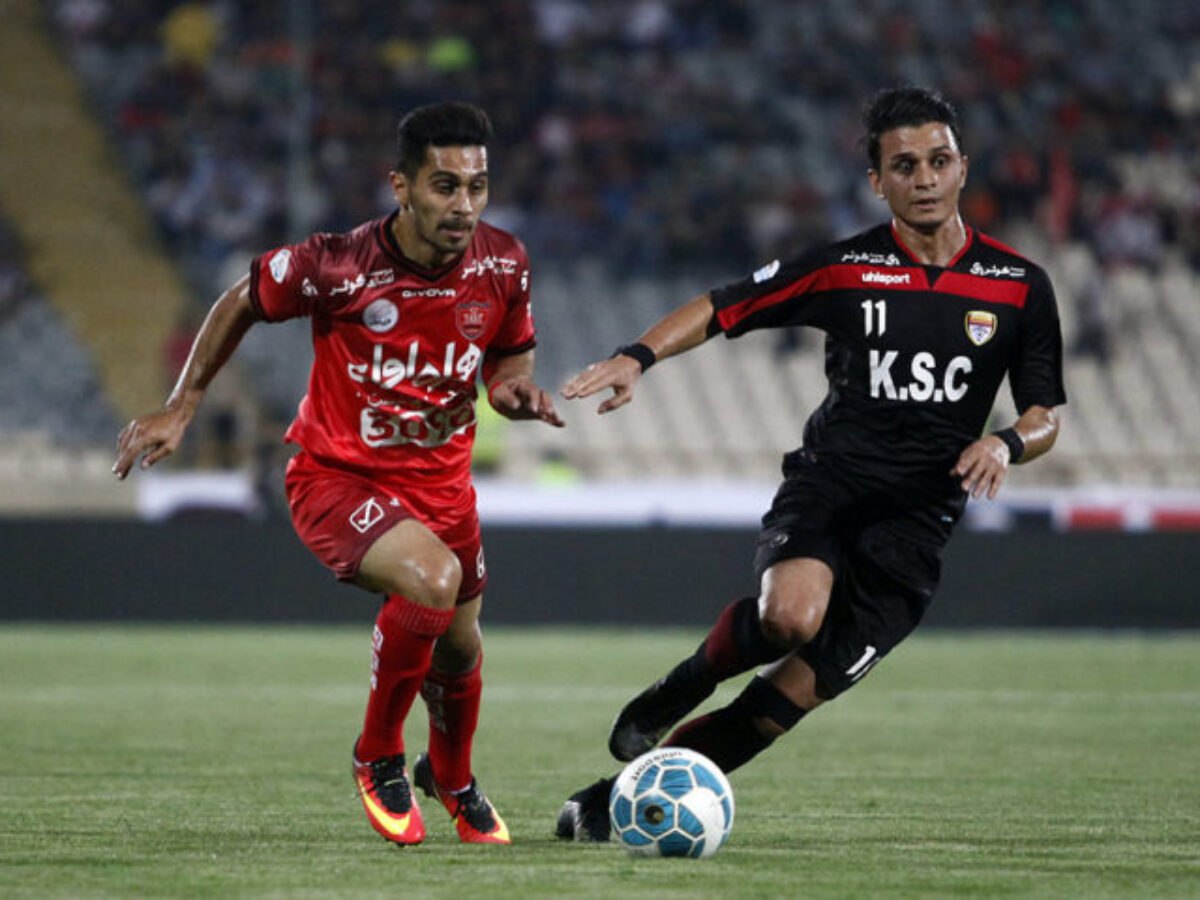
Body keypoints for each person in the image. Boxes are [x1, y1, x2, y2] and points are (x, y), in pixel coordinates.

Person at [555, 86, 1066, 840]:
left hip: (916, 535)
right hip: (832, 489)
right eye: (904, 165)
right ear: (877, 182)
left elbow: (1045, 414)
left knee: (769, 716)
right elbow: (724, 305)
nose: (923, 178)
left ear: (963, 167)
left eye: (938, 161)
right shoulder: (845, 267)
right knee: (789, 616)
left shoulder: (1019, 285)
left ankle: (610, 800)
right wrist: (638, 356)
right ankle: (688, 680)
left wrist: (1004, 442)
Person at [113, 101, 564, 846]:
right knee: (430, 579)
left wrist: (511, 387)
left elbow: (512, 348)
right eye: (444, 186)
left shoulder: (504, 260)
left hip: (443, 487)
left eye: (477, 187)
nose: (464, 206)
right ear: (401, 186)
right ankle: (376, 752)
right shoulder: (337, 264)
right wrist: (180, 405)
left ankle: (451, 776)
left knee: (460, 646)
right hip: (337, 478)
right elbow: (242, 298)